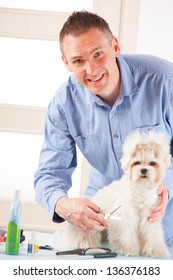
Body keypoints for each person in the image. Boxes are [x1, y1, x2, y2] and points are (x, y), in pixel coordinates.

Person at [34, 11, 173, 245]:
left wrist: (164, 184)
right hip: (103, 223)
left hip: (163, 225)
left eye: (98, 54)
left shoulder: (164, 81)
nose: (92, 69)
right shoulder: (63, 105)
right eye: (78, 60)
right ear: (66, 63)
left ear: (115, 46)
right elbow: (49, 174)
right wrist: (62, 205)